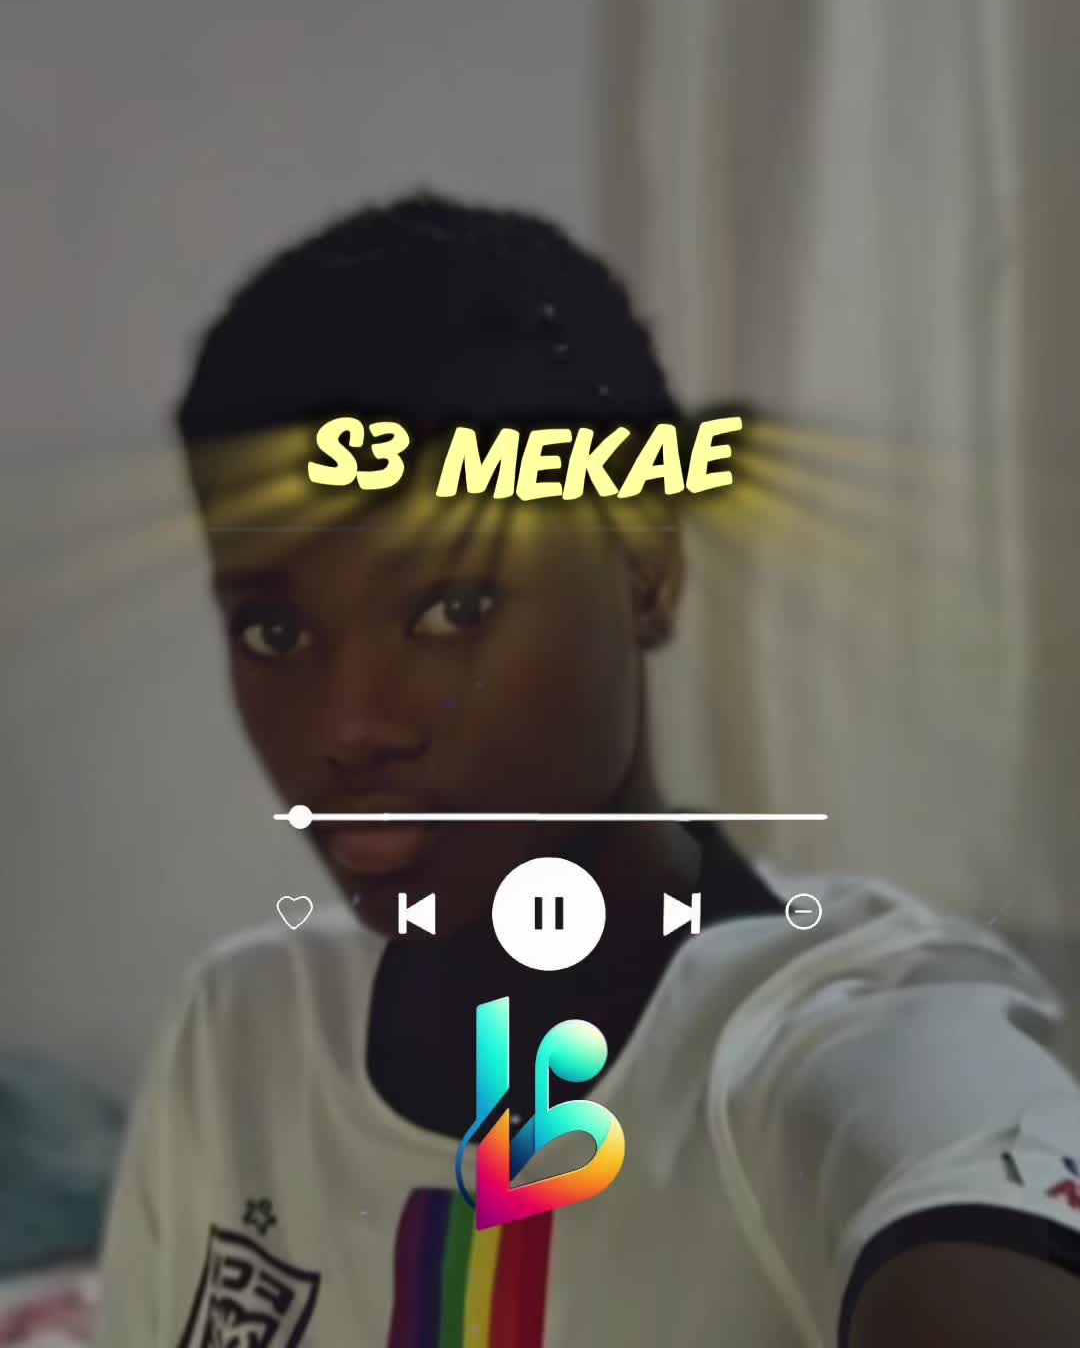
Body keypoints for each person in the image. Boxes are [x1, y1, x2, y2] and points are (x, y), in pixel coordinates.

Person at [96, 192, 1080, 1347]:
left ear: (644, 568)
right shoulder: (242, 1035)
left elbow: (959, 1182)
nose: (349, 725)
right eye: (275, 631)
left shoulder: (842, 1042)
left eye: (453, 607)